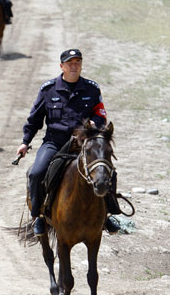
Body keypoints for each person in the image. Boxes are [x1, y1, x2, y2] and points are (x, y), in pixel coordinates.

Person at [16, 49, 120, 236]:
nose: (74, 66)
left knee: (108, 171)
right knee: (36, 173)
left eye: (77, 62)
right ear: (61, 66)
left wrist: (94, 123)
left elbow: (101, 115)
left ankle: (109, 214)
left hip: (84, 144)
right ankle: (37, 218)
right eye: (70, 63)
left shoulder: (92, 89)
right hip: (55, 143)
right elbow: (34, 119)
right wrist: (25, 142)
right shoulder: (48, 90)